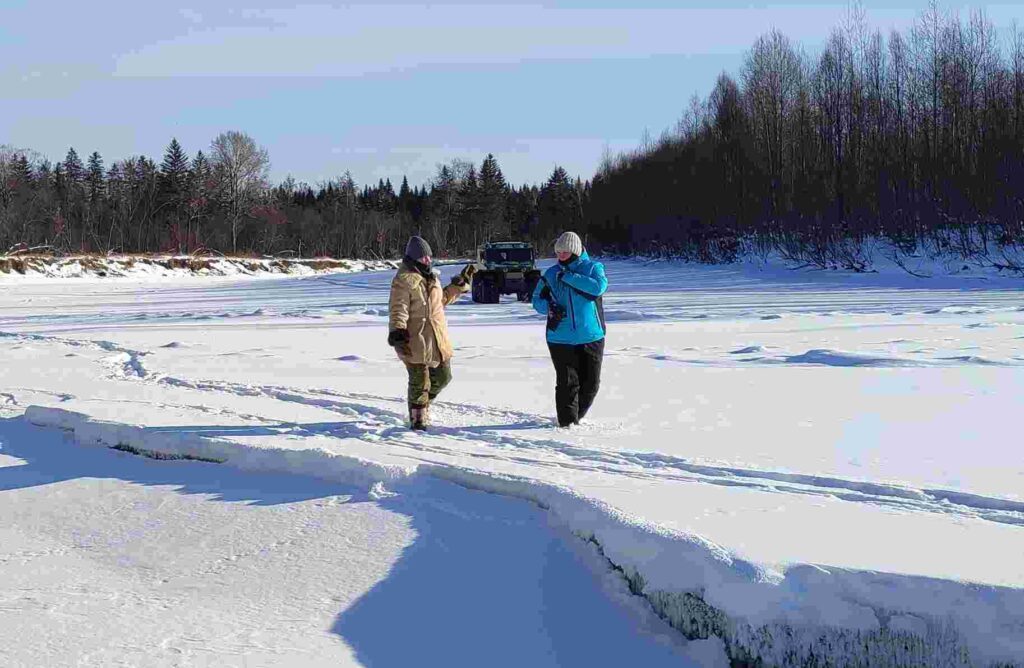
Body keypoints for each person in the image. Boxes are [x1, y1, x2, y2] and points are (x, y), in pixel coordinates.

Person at [388, 235, 476, 430]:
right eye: (423, 257)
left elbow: (440, 301)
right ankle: (417, 422)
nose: (427, 260)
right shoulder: (403, 280)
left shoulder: (431, 277)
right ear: (412, 258)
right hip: (415, 338)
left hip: (437, 338)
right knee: (419, 382)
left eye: (429, 256)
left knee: (444, 377)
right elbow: (398, 308)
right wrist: (397, 331)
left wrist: (458, 286)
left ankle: (424, 404)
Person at [531, 231, 608, 428]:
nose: (560, 256)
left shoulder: (593, 268)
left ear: (574, 249)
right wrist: (549, 307)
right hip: (560, 338)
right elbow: (536, 300)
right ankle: (567, 425)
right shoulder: (550, 274)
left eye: (564, 251)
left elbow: (598, 288)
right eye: (558, 252)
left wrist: (568, 277)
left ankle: (576, 418)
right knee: (567, 384)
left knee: (591, 385)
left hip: (591, 335)